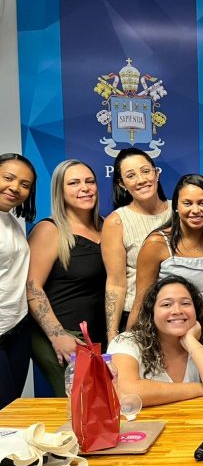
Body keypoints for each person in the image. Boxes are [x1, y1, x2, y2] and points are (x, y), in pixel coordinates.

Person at [25, 160, 105, 396]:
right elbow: (32, 287)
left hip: (97, 333)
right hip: (64, 331)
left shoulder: (106, 226)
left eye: (90, 181)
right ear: (60, 190)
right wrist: (58, 335)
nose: (85, 188)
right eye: (74, 183)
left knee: (103, 403)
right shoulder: (49, 230)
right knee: (80, 404)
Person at [130, 174, 203, 343]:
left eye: (202, 203)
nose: (195, 210)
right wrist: (130, 344)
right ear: (176, 207)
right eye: (187, 203)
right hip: (166, 341)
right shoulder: (156, 243)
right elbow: (141, 302)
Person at [110, 275, 203, 406]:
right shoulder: (127, 342)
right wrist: (202, 388)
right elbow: (127, 393)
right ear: (152, 312)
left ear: (196, 310)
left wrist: (191, 342)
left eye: (185, 303)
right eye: (166, 304)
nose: (177, 311)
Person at [101, 147, 171, 343]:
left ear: (156, 174)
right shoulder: (116, 222)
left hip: (178, 315)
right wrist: (112, 335)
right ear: (122, 184)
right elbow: (115, 283)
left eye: (145, 171)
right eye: (131, 175)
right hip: (136, 318)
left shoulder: (181, 211)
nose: (141, 180)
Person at [0, 153, 37, 409]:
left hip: (17, 327)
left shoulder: (10, 220)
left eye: (25, 184)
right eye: (8, 178)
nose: (15, 188)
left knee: (12, 409)